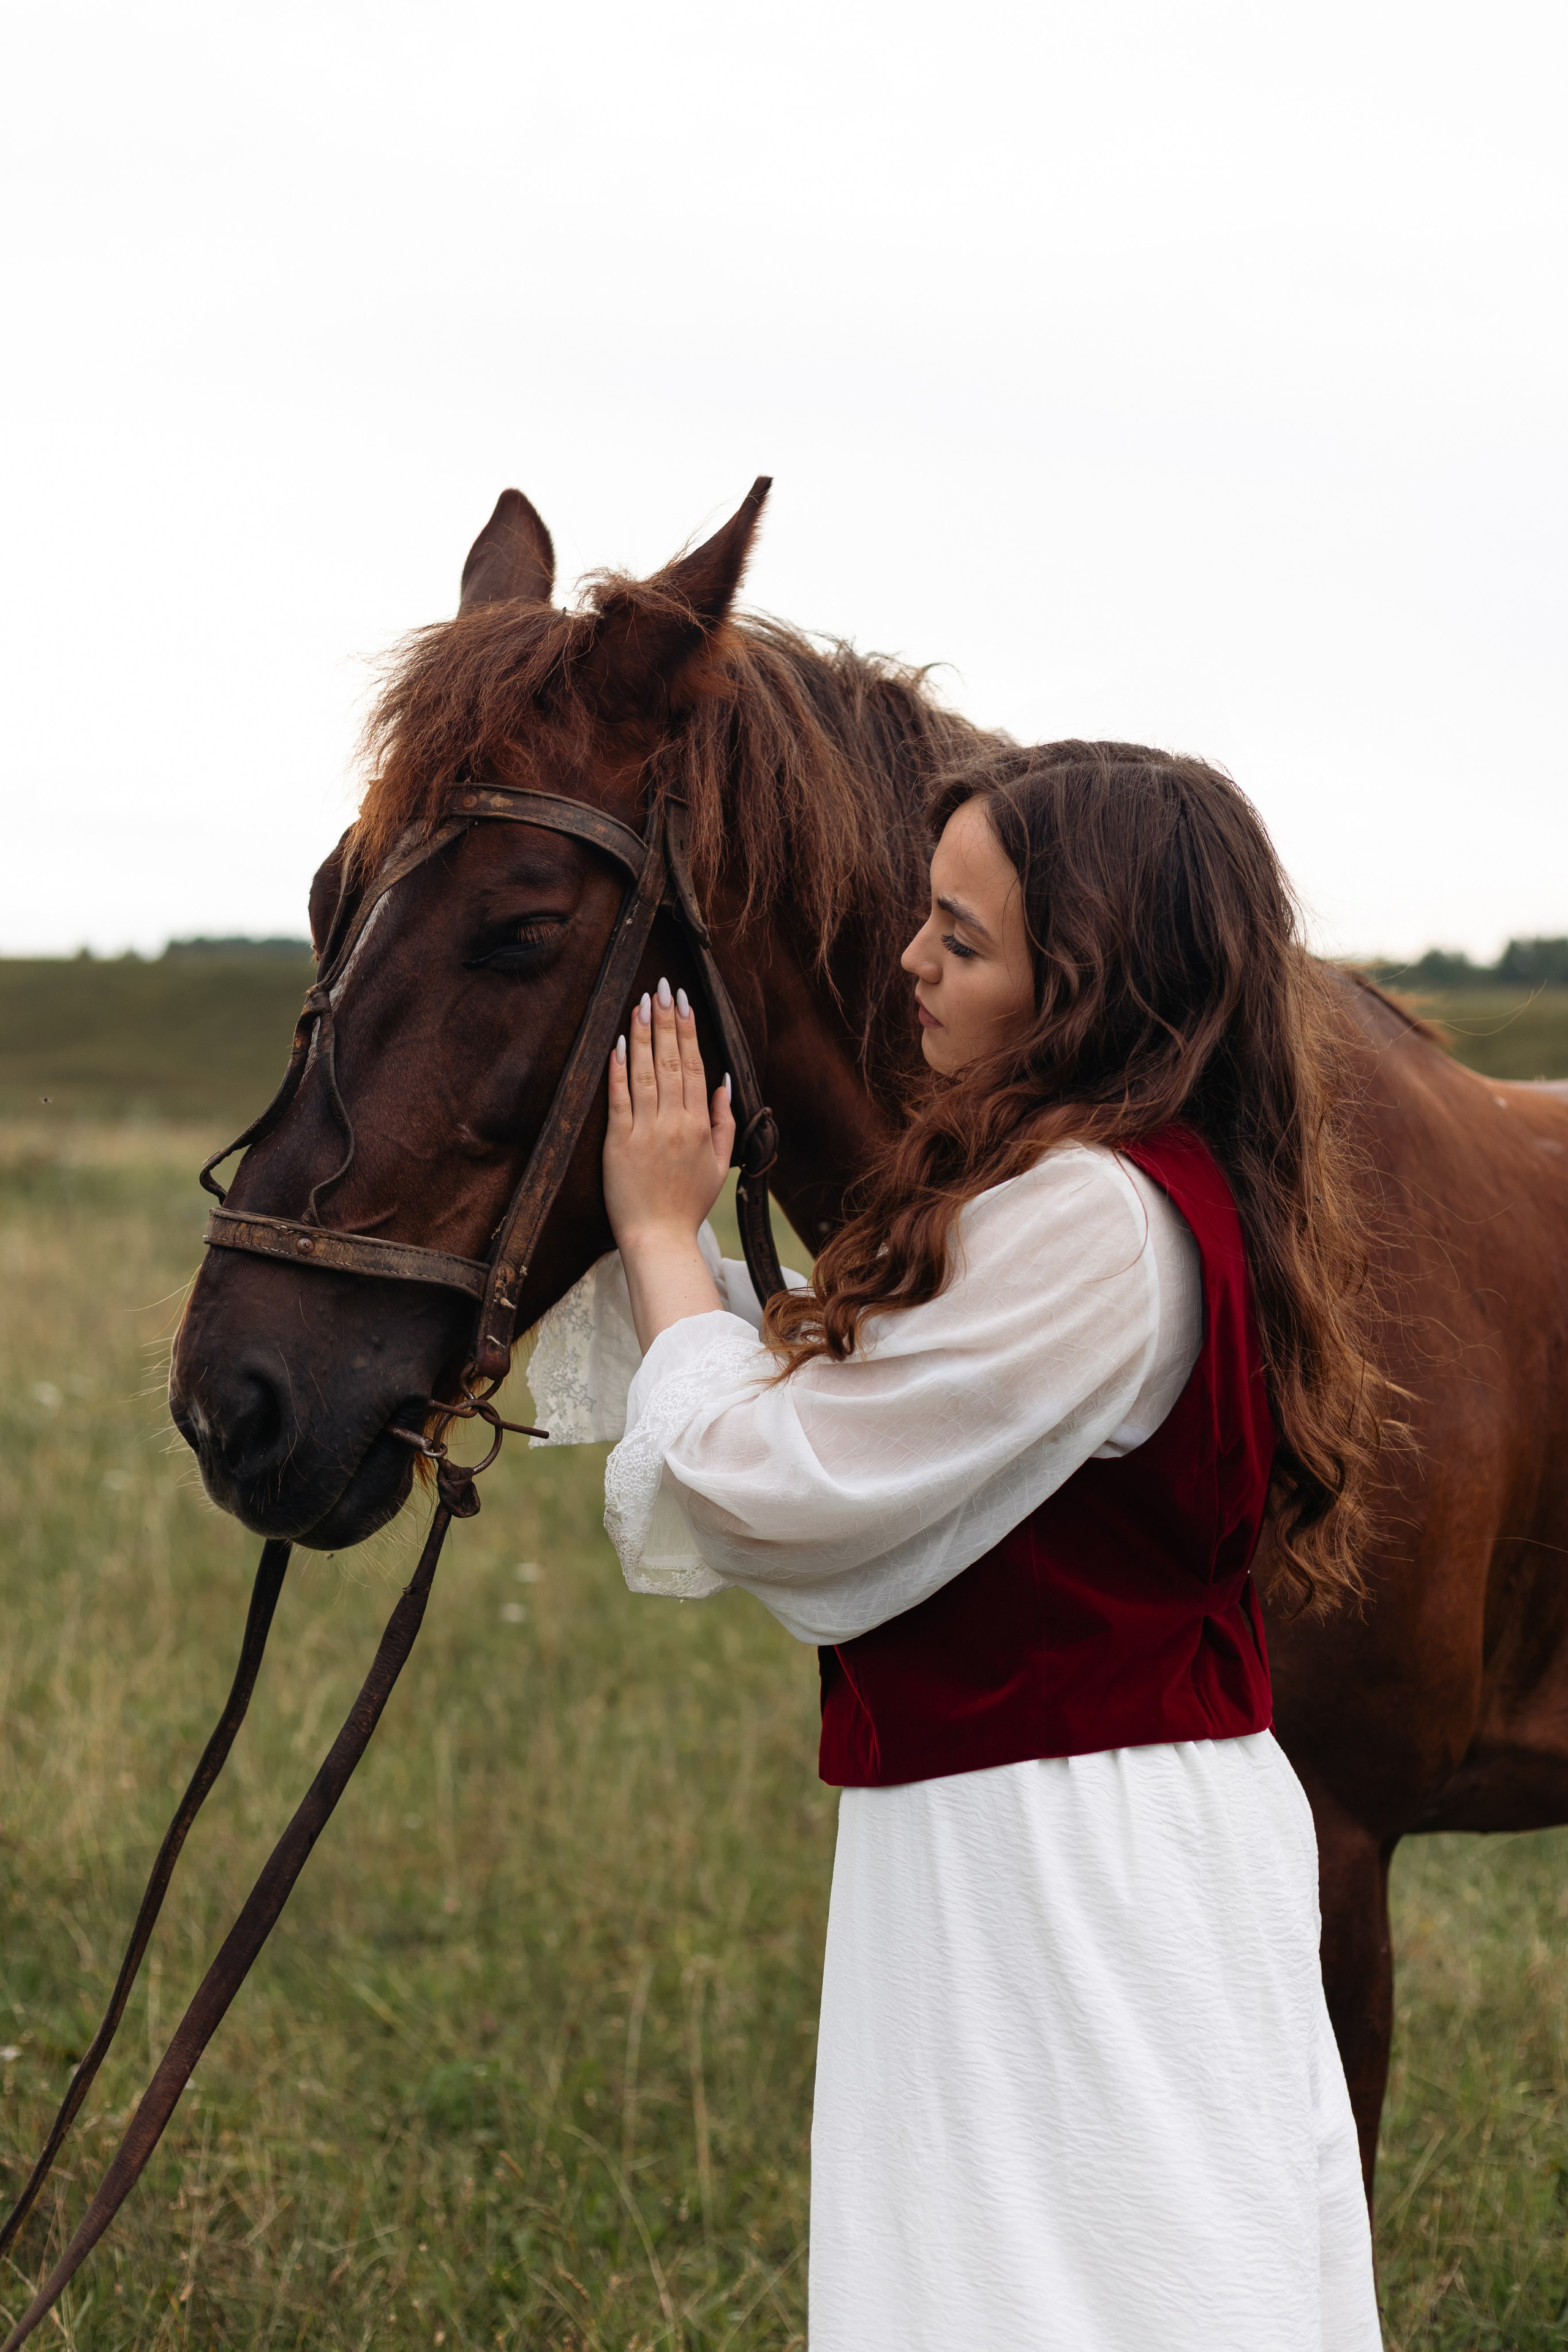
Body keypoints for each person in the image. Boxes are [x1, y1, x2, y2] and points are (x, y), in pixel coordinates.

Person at [527, 739, 1390, 2351]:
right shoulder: (1106, 1191)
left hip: (1067, 1869)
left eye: (966, 942)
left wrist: (659, 1236)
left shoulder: (1092, 1220)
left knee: (1071, 2289)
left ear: (1091, 995)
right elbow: (855, 1416)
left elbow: (771, 1476)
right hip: (1045, 1832)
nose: (909, 962)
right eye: (928, 918)